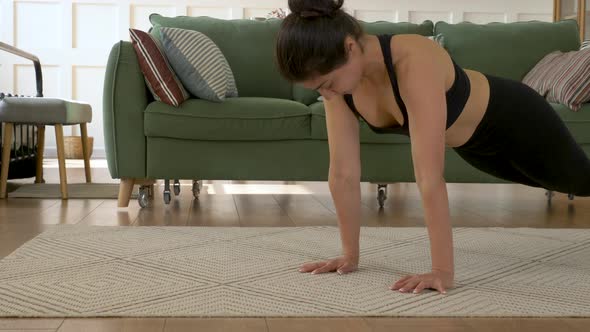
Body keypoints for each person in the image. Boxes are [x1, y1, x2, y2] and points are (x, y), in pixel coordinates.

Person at [274, 0, 590, 295]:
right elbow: (343, 173)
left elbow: (428, 176)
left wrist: (441, 271)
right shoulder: (340, 89)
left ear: (350, 46)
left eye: (327, 84)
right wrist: (349, 256)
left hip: (520, 122)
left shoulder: (413, 60)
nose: (326, 94)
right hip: (476, 147)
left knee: (581, 182)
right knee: (551, 181)